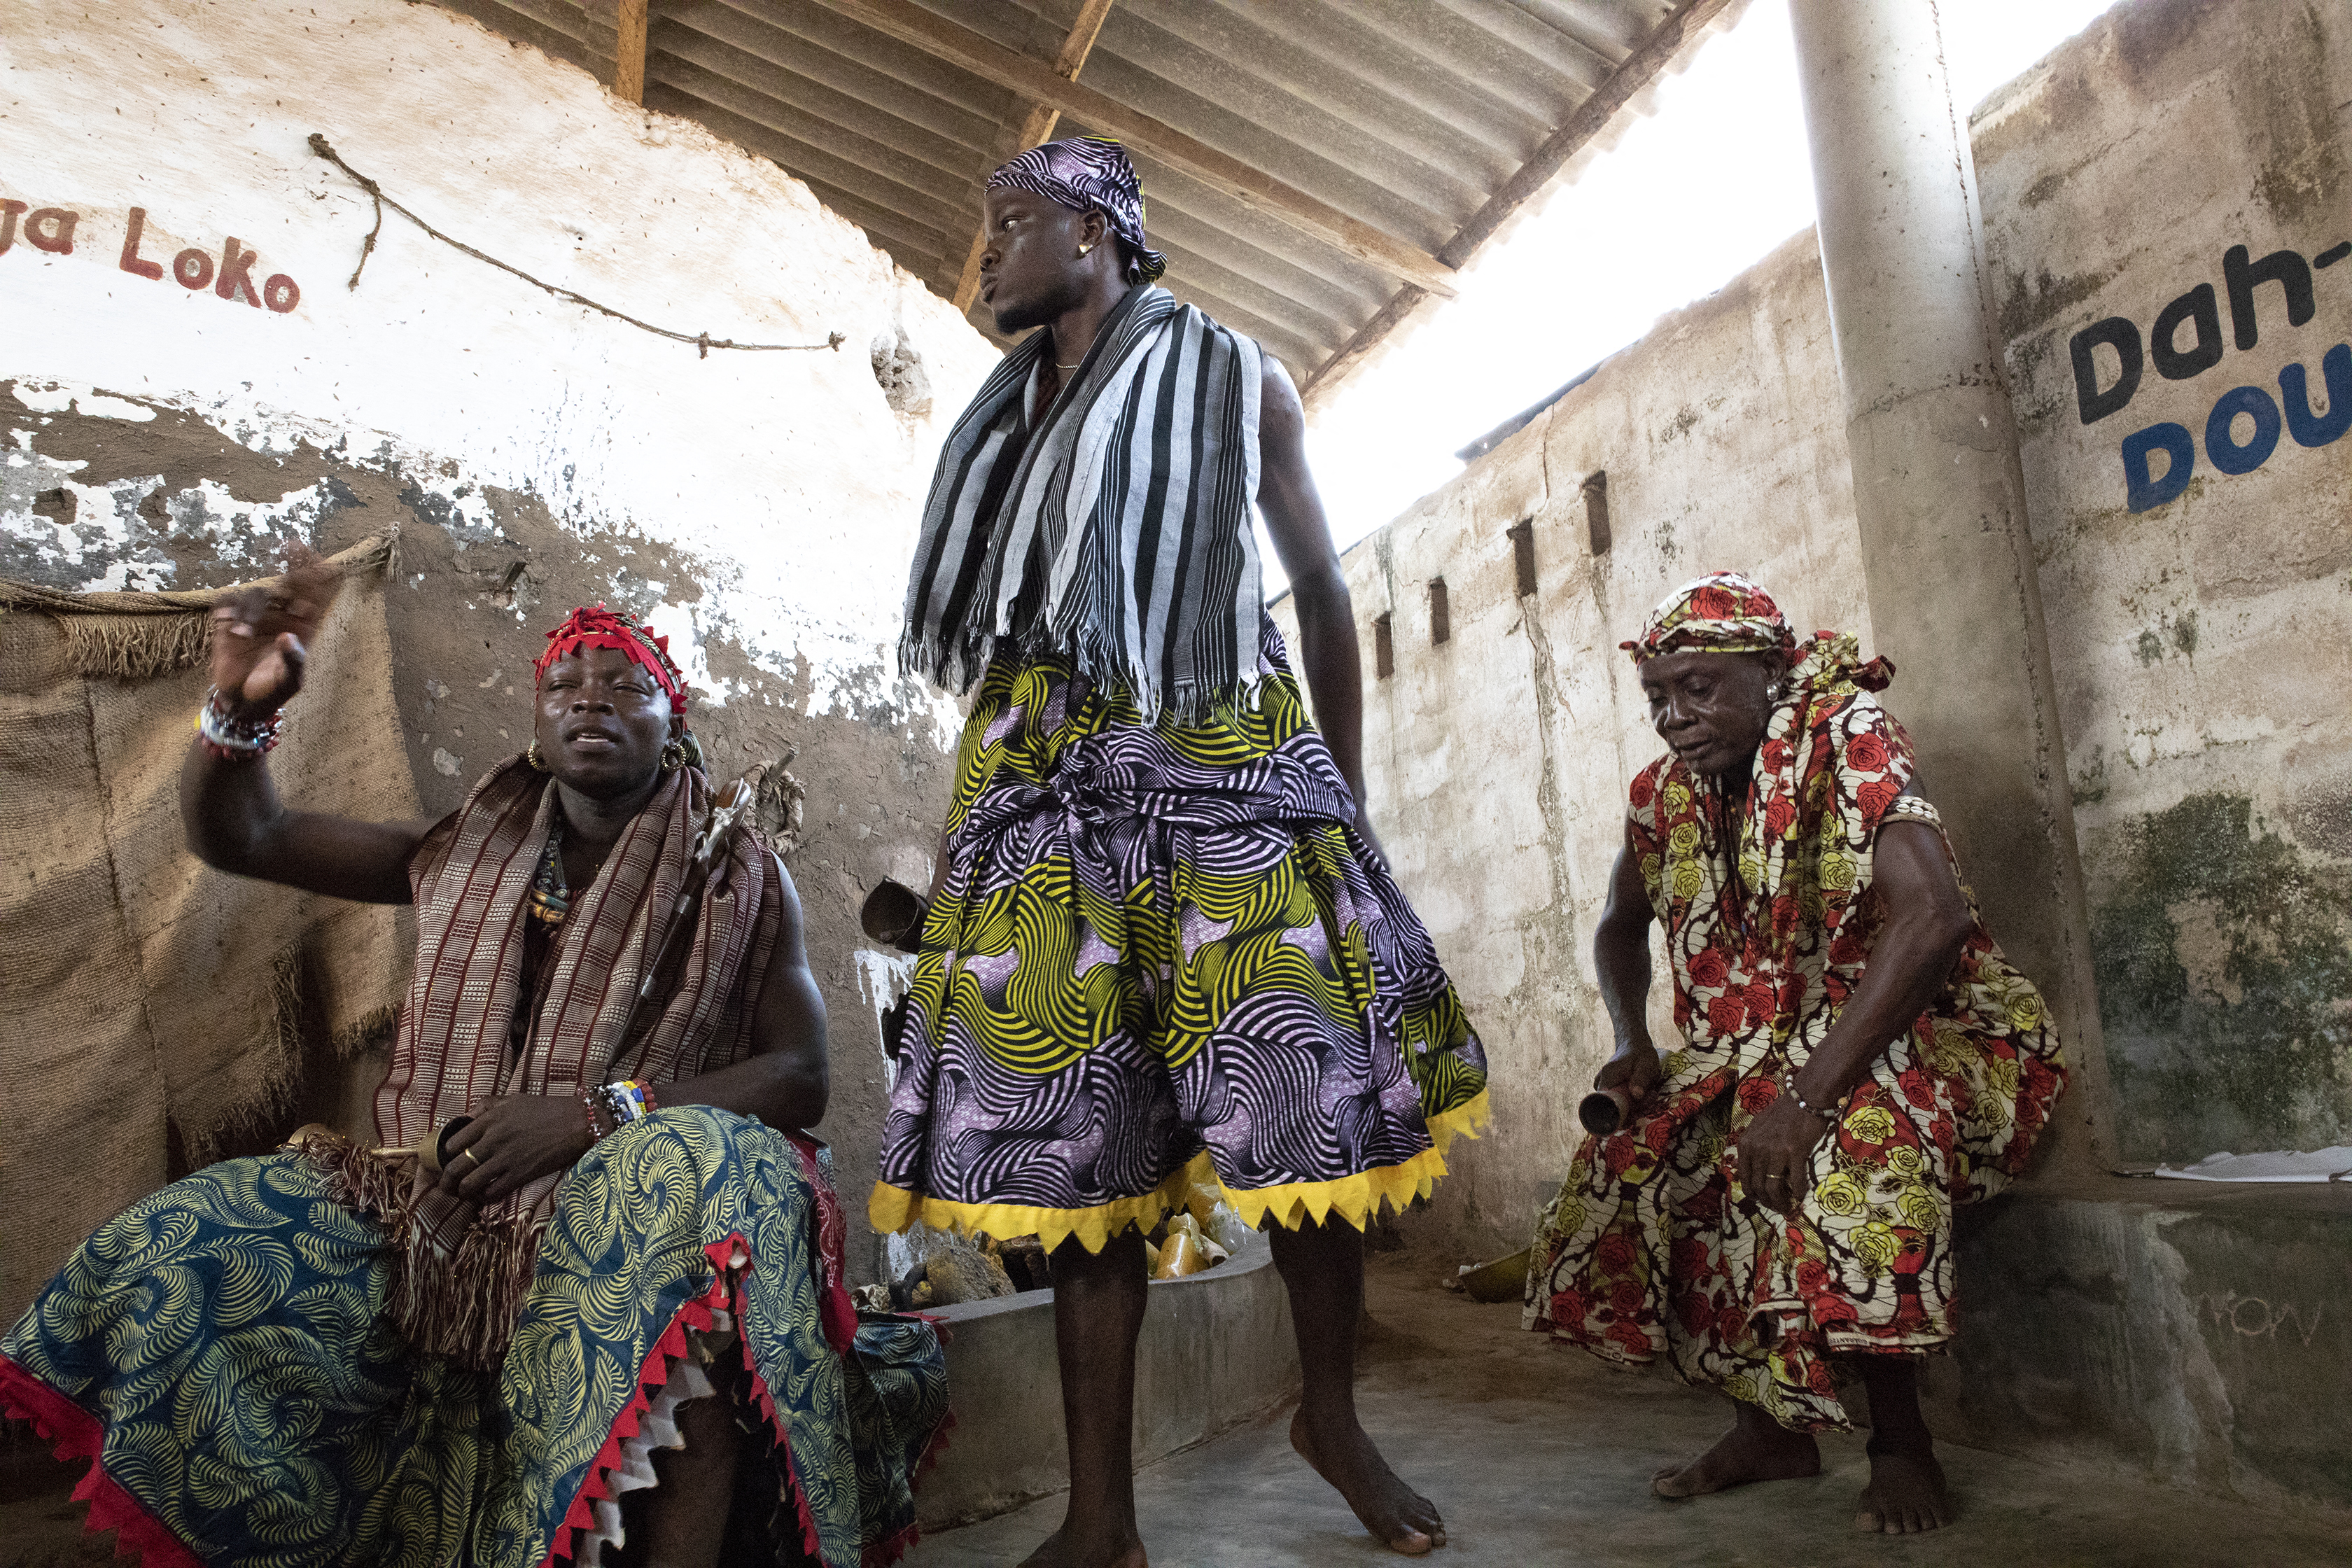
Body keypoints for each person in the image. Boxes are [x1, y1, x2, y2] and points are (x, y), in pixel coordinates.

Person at [0, 552, 947, 1568]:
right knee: (193, 1244)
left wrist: (593, 1118)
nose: (591, 701)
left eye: (627, 685)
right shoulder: (459, 854)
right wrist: (235, 711)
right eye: (563, 687)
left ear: (675, 723)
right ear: (537, 730)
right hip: (436, 1200)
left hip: (632, 1202)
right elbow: (249, 837)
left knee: (713, 1170)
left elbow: (800, 1075)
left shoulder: (742, 882)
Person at [872, 137, 1489, 1565]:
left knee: (1308, 1105)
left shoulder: (1235, 375)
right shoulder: (1010, 416)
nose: (988, 256)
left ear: (1095, 233)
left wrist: (1340, 788)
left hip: (1222, 764)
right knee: (1076, 1142)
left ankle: (1329, 1413)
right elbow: (1016, 626)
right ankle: (1104, 1516)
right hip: (1042, 791)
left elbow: (1323, 587)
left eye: (1012, 224)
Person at [1524, 571, 2066, 1535]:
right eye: (1658, 696)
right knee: (1649, 1156)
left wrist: (1806, 1099)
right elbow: (1619, 926)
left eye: (1700, 689)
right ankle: (1768, 1428)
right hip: (1749, 1044)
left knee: (1856, 1143)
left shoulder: (1850, 737)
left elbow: (1932, 918)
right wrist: (1630, 1041)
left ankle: (1902, 1443)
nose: (1676, 718)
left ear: (1771, 673)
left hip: (1906, 1025)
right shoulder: (1663, 795)